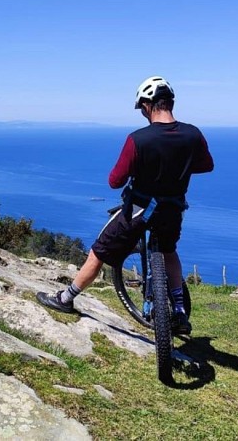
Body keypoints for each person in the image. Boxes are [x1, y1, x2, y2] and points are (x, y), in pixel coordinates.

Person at [36, 76, 214, 335]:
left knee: (99, 251)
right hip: (173, 209)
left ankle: (66, 298)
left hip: (140, 210)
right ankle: (179, 311)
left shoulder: (139, 139)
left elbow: (115, 180)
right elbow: (206, 165)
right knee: (169, 251)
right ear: (170, 102)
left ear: (147, 105)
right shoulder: (192, 134)